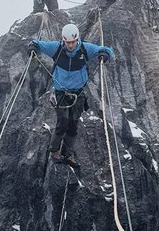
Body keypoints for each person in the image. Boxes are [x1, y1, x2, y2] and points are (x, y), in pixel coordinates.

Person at [28, 23, 114, 163]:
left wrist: (104, 54)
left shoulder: (84, 49)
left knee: (73, 124)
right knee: (63, 121)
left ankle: (68, 153)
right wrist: (33, 47)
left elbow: (105, 49)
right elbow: (36, 43)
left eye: (73, 42)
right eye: (68, 42)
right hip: (61, 92)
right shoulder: (56, 48)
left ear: (77, 40)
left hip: (78, 93)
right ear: (63, 40)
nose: (70, 45)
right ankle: (54, 150)